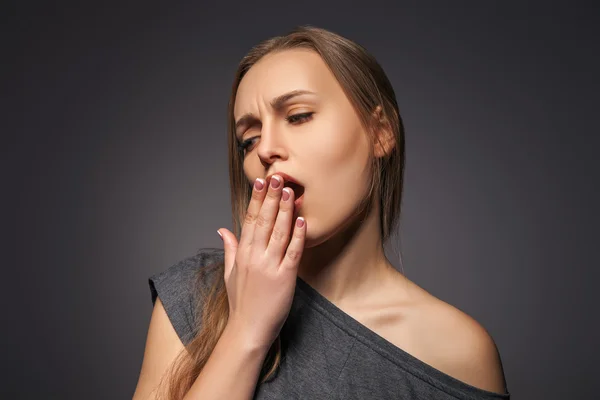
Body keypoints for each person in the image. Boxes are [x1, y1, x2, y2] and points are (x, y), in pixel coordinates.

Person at [133, 25, 510, 400]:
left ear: (380, 132)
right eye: (248, 139)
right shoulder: (195, 295)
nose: (265, 149)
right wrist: (246, 330)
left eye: (298, 116)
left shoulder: (459, 353)